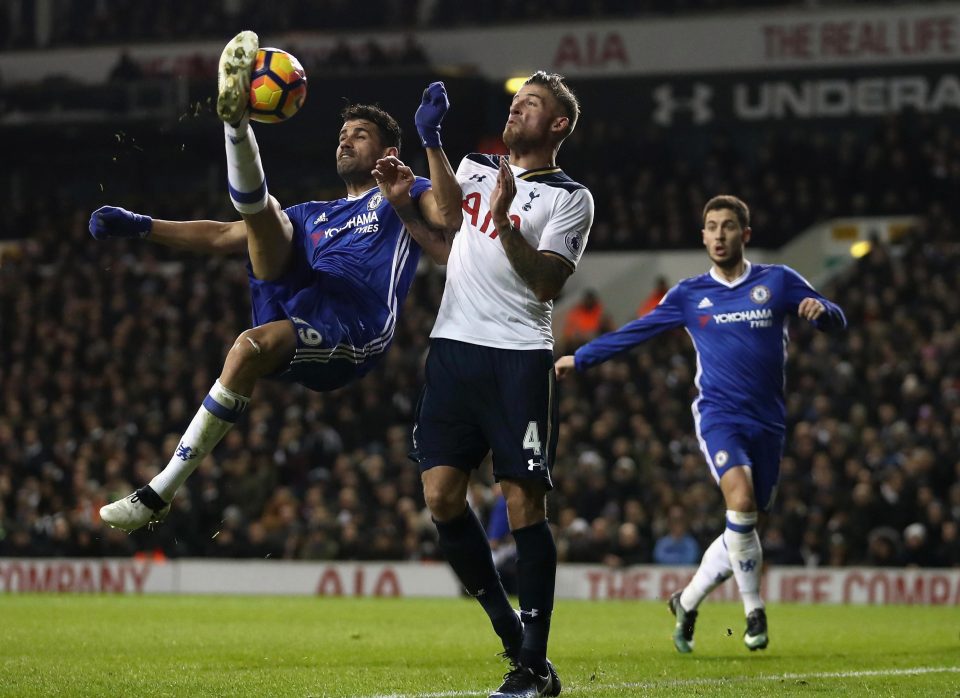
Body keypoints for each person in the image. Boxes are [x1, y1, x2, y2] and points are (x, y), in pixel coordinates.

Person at [93, 30, 461, 533]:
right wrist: (142, 225)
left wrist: (432, 141)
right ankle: (236, 124)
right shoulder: (315, 212)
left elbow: (447, 216)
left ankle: (160, 491)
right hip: (300, 297)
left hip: (354, 320)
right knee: (270, 217)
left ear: (387, 148)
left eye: (358, 133)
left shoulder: (401, 190)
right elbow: (226, 233)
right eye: (342, 134)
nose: (345, 139)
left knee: (247, 347)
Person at [556, 195, 846, 653]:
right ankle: (754, 612)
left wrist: (823, 313)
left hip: (769, 423)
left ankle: (687, 602)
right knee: (742, 499)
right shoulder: (691, 294)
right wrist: (583, 358)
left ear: (744, 234)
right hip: (719, 415)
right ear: (703, 235)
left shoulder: (778, 281)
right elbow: (639, 330)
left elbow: (834, 314)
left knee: (745, 524)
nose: (718, 234)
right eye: (711, 226)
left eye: (728, 226)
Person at [388, 71, 593, 697]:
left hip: (517, 356)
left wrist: (505, 220)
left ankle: (533, 662)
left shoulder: (569, 198)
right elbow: (449, 237)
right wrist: (420, 170)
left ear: (557, 125)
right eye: (516, 102)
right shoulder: (476, 167)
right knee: (442, 497)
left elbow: (545, 285)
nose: (517, 109)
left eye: (531, 105)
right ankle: (510, 634)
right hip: (453, 349)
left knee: (522, 501)